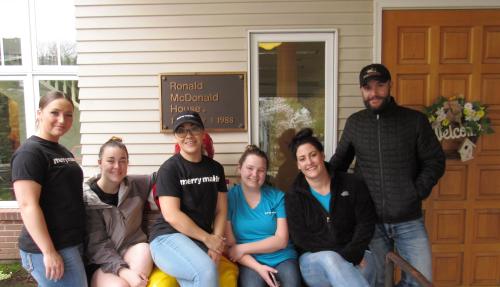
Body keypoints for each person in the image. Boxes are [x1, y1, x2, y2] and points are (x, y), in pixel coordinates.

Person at [330, 63, 446, 287]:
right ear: (361, 90)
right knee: (377, 282)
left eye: (380, 85)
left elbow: (435, 161)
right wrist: (313, 175)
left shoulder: (414, 121)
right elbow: (339, 164)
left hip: (409, 219)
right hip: (369, 222)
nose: (374, 93)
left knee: (420, 281)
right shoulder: (355, 123)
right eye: (367, 87)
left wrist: (415, 192)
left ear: (390, 85)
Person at [11, 90, 87, 286]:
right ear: (39, 113)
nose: (62, 119)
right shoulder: (30, 153)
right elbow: (28, 205)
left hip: (71, 242)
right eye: (55, 112)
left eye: (69, 114)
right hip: (49, 247)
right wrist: (48, 251)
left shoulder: (61, 150)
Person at [285, 128, 376, 287]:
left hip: (358, 252)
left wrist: (353, 252)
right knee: (331, 259)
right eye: (302, 159)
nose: (309, 162)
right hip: (313, 261)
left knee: (362, 270)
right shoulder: (294, 196)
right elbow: (301, 238)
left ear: (322, 155)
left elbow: (366, 223)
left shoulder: (352, 183)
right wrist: (341, 254)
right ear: (298, 165)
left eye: (313, 155)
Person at [149, 111, 228, 287]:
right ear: (176, 137)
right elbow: (171, 215)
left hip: (197, 240)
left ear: (203, 132)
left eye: (194, 128)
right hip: (167, 238)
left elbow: (221, 210)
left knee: (201, 277)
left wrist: (216, 242)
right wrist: (209, 240)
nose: (189, 135)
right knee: (206, 271)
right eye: (182, 131)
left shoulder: (216, 169)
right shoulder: (169, 169)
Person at [225, 145, 300, 287]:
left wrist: (242, 248)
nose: (255, 174)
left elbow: (281, 241)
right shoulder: (228, 199)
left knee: (292, 283)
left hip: (282, 257)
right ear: (239, 168)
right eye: (250, 168)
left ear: (266, 173)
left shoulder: (277, 197)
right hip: (249, 260)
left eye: (261, 170)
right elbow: (231, 246)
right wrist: (258, 267)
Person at [83, 136, 154, 287]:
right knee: (121, 285)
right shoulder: (88, 199)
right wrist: (126, 273)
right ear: (100, 163)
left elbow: (165, 177)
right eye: (110, 160)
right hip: (102, 262)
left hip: (130, 252)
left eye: (123, 160)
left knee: (145, 249)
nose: (117, 166)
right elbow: (98, 246)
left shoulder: (136, 185)